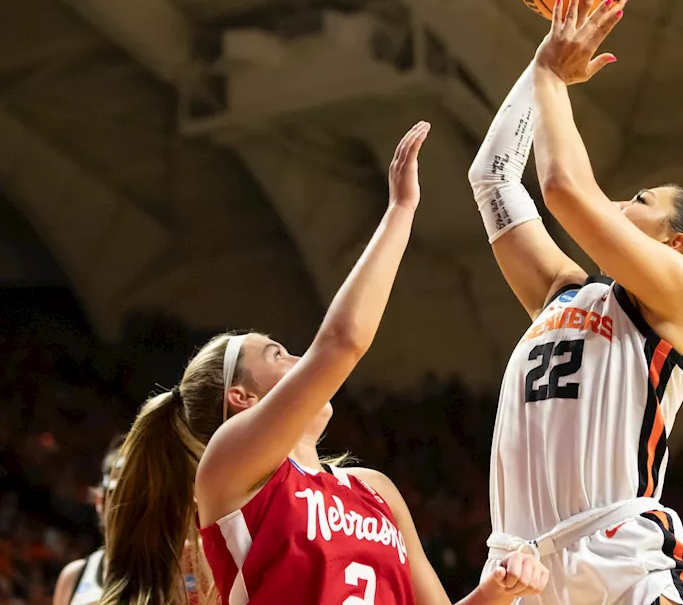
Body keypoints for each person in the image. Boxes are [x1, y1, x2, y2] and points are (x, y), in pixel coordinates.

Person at [101, 122, 547, 605]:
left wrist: (498, 592)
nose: (298, 358)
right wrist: (400, 211)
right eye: (277, 354)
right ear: (242, 397)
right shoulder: (231, 469)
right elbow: (341, 342)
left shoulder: (374, 489)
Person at [467, 0, 683, 605]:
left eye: (641, 201)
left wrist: (555, 75)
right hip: (524, 574)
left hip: (624, 565)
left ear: (674, 244)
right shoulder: (564, 292)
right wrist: (543, 61)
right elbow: (494, 178)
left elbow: (563, 189)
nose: (622, 205)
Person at [53, 436, 125, 605]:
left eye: (134, 496)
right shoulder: (74, 576)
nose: (124, 506)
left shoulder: (174, 575)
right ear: (100, 501)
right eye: (117, 495)